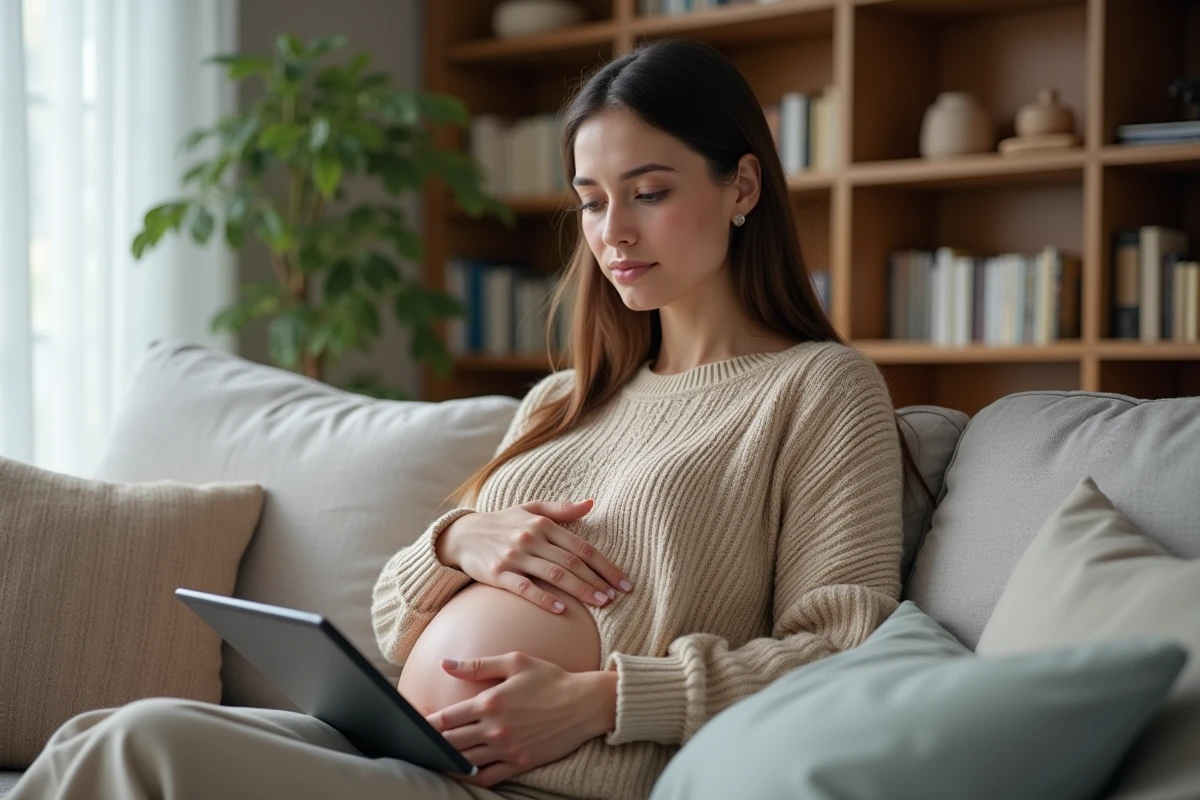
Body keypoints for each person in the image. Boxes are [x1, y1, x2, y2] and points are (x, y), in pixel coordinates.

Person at [10, 37, 910, 800]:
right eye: (592, 201)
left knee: (143, 748)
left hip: (532, 784)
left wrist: (604, 700)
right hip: (402, 747)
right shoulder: (567, 399)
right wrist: (456, 544)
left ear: (742, 186)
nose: (613, 235)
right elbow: (398, 626)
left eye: (650, 191)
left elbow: (840, 651)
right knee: (112, 728)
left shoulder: (817, 391)